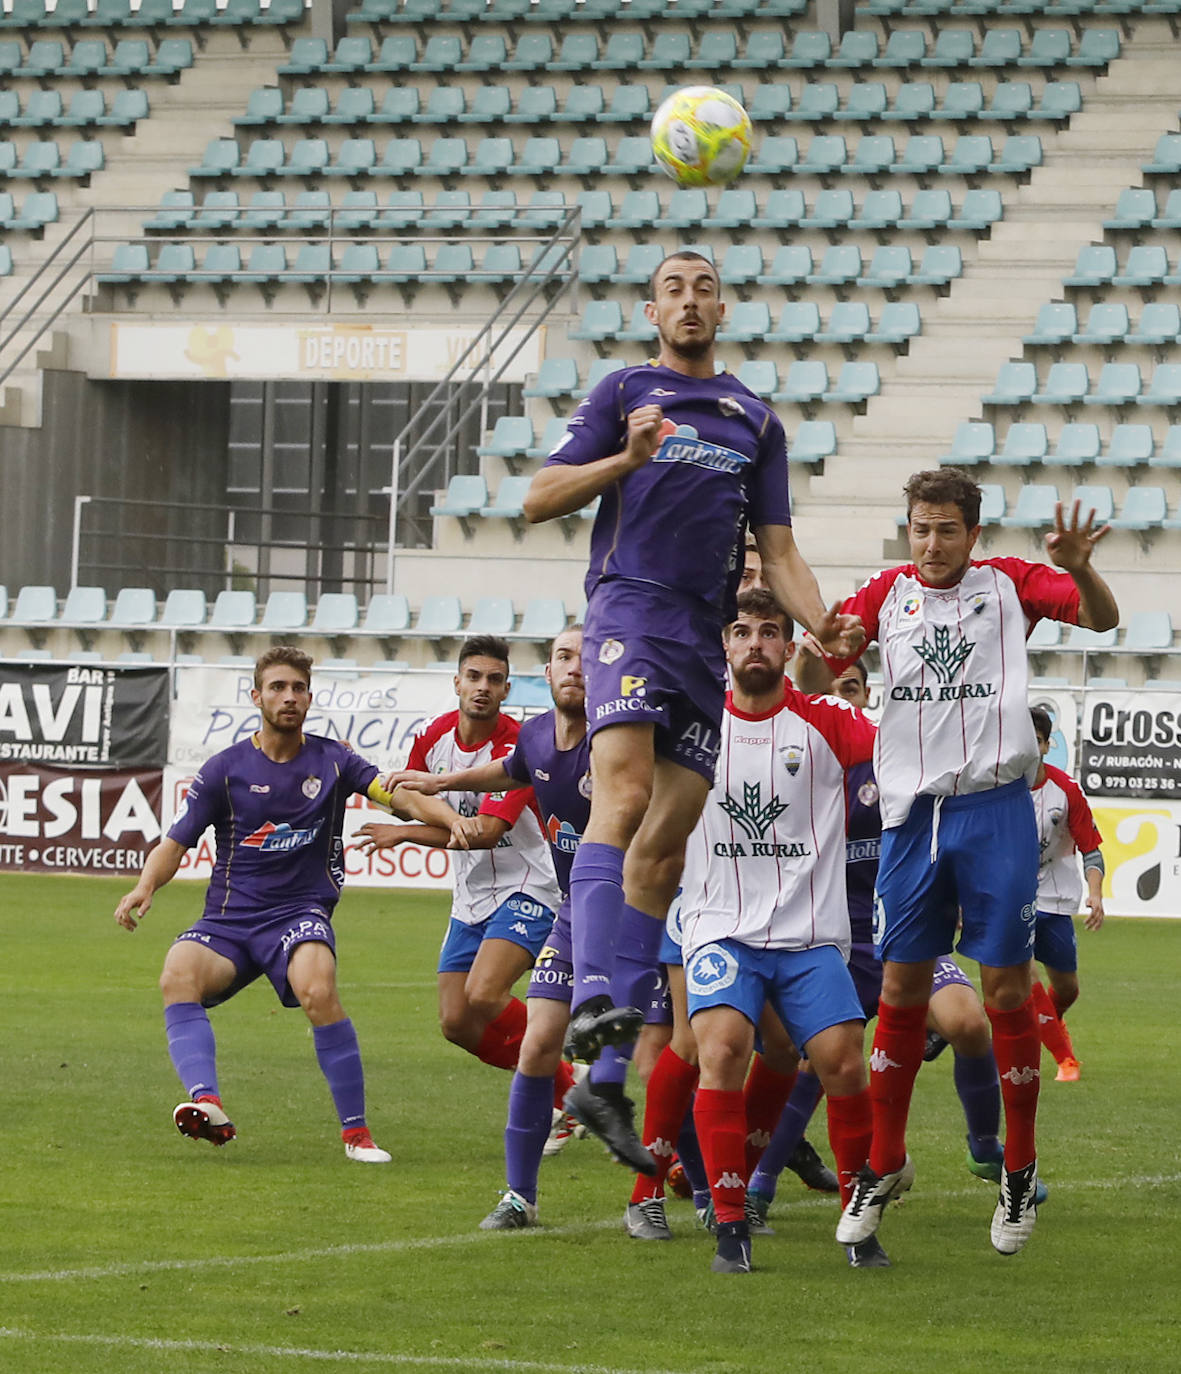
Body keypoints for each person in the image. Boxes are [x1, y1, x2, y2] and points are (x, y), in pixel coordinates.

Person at [523, 249, 863, 1074]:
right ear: (652, 313)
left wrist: (821, 626)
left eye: (703, 289)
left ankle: (605, 1071)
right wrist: (627, 460)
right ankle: (597, 998)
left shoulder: (755, 420)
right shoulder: (623, 394)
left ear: (722, 312)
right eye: (672, 290)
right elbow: (537, 498)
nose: (688, 301)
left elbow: (776, 550)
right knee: (627, 793)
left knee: (666, 842)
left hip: (698, 636)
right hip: (630, 609)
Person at [797, 468, 1118, 1256]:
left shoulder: (1008, 585)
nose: (931, 543)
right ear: (906, 529)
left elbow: (1103, 621)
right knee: (902, 988)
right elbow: (808, 683)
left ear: (971, 534)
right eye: (919, 528)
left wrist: (1078, 565)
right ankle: (879, 1166)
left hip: (994, 809)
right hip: (911, 818)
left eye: (945, 529)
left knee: (1005, 990)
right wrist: (820, 652)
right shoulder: (883, 594)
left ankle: (1016, 1170)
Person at [749, 659, 1048, 1221]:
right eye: (835, 688)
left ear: (869, 696)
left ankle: (986, 1149)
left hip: (901, 925)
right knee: (820, 1061)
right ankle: (760, 1183)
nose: (844, 697)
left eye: (855, 688)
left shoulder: (898, 761)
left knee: (967, 1022)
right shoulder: (800, 762)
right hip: (830, 932)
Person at [114, 646, 397, 1162]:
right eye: (277, 688)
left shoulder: (335, 759)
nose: (288, 697)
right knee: (177, 975)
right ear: (256, 696)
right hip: (229, 920)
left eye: (297, 688)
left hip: (299, 914)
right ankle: (209, 1106)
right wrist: (144, 886)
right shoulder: (224, 769)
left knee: (316, 988)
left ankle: (357, 1136)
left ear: (310, 697)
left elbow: (391, 793)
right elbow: (176, 842)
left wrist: (444, 818)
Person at [678, 589, 879, 1272]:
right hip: (719, 928)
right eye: (742, 631)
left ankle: (859, 1221)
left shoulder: (830, 723)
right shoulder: (692, 722)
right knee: (724, 1049)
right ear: (725, 646)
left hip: (808, 935)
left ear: (790, 649)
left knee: (844, 1061)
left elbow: (903, 756)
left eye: (770, 631)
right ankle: (729, 1225)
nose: (756, 643)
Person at [354, 635, 567, 1111]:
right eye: (474, 677)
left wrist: (405, 834)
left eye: (494, 679)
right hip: (470, 894)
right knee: (456, 1022)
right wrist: (418, 818)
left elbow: (488, 831)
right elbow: (410, 799)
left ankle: (571, 1082)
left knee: (486, 993)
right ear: (456, 682)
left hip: (528, 885)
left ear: (508, 688)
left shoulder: (519, 744)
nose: (483, 687)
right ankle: (562, 1086)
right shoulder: (433, 735)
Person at [1028, 706, 1105, 1082]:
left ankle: (1049, 1023)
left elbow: (1091, 847)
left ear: (1046, 746)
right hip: (1009, 899)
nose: (1028, 748)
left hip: (1054, 898)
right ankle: (1066, 1060)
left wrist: (1095, 894)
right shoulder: (995, 788)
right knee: (1025, 981)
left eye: (1036, 741)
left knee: (1066, 989)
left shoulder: (1066, 791)